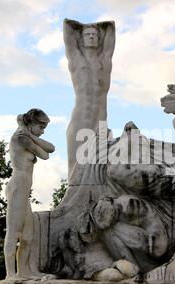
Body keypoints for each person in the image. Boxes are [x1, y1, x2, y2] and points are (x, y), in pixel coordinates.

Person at [3, 108, 55, 282]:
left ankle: (23, 272)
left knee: (28, 235)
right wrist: (29, 134)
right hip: (17, 187)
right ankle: (10, 274)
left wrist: (32, 134)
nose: (42, 130)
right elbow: (44, 154)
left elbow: (52, 148)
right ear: (30, 123)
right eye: (40, 126)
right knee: (13, 232)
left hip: (24, 191)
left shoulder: (27, 136)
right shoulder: (20, 138)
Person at [63, 18, 115, 181]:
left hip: (101, 121)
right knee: (76, 170)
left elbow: (110, 36)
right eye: (88, 35)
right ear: (82, 39)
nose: (92, 37)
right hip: (81, 119)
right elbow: (67, 30)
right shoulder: (77, 60)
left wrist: (107, 26)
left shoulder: (104, 61)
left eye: (94, 34)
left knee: (99, 173)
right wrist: (82, 27)